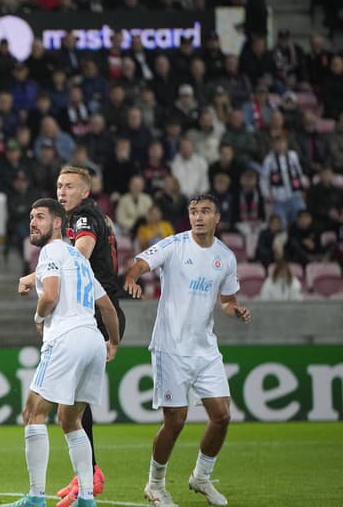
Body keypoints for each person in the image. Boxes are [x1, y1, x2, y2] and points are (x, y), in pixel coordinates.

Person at [123, 194, 252, 507]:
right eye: (194, 211)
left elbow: (226, 300)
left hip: (204, 347)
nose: (198, 217)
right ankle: (155, 485)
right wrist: (131, 278)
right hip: (171, 346)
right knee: (176, 420)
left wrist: (234, 310)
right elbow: (139, 263)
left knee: (221, 416)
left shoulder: (225, 257)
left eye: (205, 211)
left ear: (216, 218)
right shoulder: (174, 245)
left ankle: (201, 477)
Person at [18, 167, 125, 507]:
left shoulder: (52, 252)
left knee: (33, 412)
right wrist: (113, 340)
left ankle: (35, 497)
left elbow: (49, 297)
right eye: (31, 217)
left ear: (56, 222)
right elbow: (107, 306)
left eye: (39, 217)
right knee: (71, 418)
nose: (33, 223)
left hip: (65, 338)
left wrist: (38, 317)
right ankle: (87, 497)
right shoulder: (80, 263)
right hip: (93, 339)